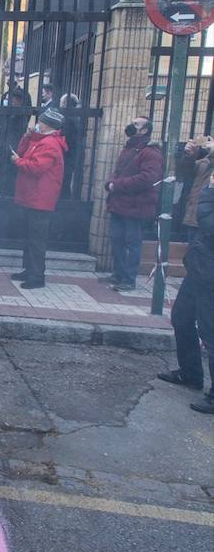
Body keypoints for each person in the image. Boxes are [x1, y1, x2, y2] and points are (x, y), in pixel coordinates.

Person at [158, 176, 214, 415]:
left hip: (210, 273)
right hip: (201, 267)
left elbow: (209, 223)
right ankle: (190, 373)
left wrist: (210, 192)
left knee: (210, 332)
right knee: (181, 316)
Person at [103, 117, 163, 292]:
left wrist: (117, 185)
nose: (131, 125)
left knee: (131, 243)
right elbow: (119, 171)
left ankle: (129, 279)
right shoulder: (130, 148)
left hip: (136, 206)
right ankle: (118, 274)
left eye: (136, 124)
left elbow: (147, 178)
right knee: (117, 241)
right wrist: (111, 182)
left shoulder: (150, 152)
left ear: (144, 130)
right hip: (120, 204)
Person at [10, 107, 67, 289]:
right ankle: (28, 270)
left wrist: (18, 161)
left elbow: (36, 168)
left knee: (36, 240)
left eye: (39, 121)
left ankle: (37, 276)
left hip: (40, 200)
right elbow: (23, 150)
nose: (36, 124)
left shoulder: (49, 144)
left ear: (46, 124)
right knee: (29, 237)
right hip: (32, 197)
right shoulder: (40, 140)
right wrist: (27, 136)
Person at [175, 134, 214, 243]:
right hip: (195, 215)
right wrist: (190, 155)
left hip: (209, 219)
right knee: (193, 253)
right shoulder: (204, 161)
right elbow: (183, 173)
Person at [0, 87, 32, 197]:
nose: (7, 101)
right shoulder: (6, 113)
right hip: (2, 151)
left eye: (10, 99)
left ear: (18, 101)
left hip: (13, 152)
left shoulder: (21, 116)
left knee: (10, 183)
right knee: (2, 181)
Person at [59, 93, 82, 199]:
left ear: (64, 104)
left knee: (63, 183)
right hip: (71, 156)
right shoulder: (75, 118)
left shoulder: (68, 120)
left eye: (61, 102)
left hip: (66, 157)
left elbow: (65, 139)